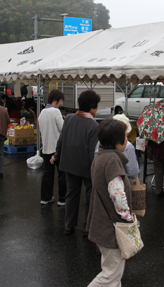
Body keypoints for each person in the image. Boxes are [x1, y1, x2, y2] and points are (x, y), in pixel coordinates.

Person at [87, 119, 133, 287]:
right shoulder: (112, 160)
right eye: (125, 136)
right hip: (111, 227)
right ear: (117, 141)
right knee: (110, 276)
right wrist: (128, 218)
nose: (127, 139)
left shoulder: (100, 156)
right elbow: (118, 195)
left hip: (101, 222)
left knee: (111, 271)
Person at [52, 90, 101, 236]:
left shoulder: (69, 118)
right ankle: (87, 227)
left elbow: (61, 140)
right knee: (90, 196)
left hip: (70, 163)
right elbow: (94, 151)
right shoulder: (93, 125)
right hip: (87, 167)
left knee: (71, 195)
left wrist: (57, 156)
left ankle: (69, 225)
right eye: (97, 106)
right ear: (92, 107)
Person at [38, 90, 66, 206]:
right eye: (60, 102)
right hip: (57, 149)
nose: (60, 104)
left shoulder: (42, 113)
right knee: (62, 174)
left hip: (46, 148)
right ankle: (62, 199)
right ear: (55, 101)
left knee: (47, 174)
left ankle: (45, 198)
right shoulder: (55, 112)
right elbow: (63, 129)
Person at [95, 114, 140, 180]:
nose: (126, 139)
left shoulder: (100, 141)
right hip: (121, 185)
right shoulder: (128, 146)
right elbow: (133, 173)